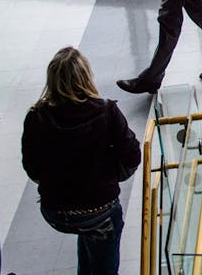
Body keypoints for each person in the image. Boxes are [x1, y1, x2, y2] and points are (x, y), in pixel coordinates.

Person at [21, 47, 140, 275]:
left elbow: (31, 167)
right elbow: (133, 154)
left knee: (86, 233)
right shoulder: (106, 111)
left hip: (55, 211)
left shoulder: (36, 116)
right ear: (86, 76)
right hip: (99, 209)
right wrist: (113, 173)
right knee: (99, 239)